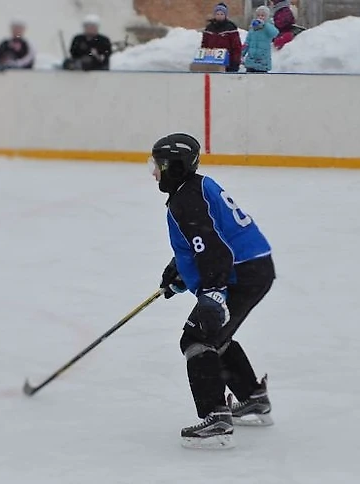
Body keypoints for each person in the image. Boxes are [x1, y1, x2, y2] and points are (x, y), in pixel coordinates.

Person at [150, 133, 275, 449]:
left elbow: (215, 251)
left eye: (158, 165)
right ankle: (252, 398)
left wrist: (214, 292)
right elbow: (205, 238)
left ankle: (216, 419)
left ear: (174, 167)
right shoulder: (196, 187)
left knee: (197, 338)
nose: (153, 172)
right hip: (253, 268)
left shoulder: (186, 200)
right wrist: (180, 269)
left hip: (240, 274)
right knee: (214, 337)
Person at [201, 3, 242, 73]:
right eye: (217, 14)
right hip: (212, 60)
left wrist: (236, 61)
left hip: (228, 61)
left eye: (221, 14)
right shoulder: (209, 28)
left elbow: (236, 46)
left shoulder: (231, 27)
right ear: (215, 15)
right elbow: (204, 44)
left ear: (225, 15)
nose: (219, 16)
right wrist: (203, 56)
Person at [242, 6, 279, 73]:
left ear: (267, 17)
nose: (260, 17)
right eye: (258, 15)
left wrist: (265, 24)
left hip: (263, 61)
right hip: (251, 60)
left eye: (263, 15)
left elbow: (275, 33)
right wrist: (242, 53)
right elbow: (247, 42)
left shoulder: (268, 27)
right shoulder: (252, 28)